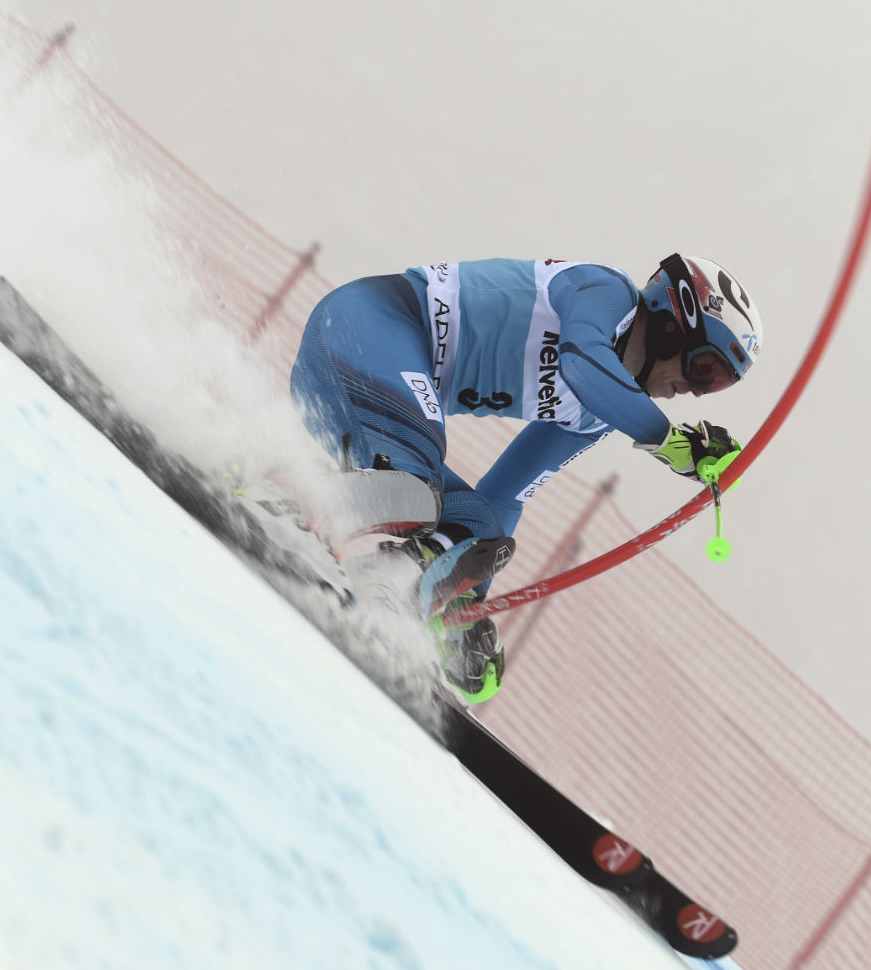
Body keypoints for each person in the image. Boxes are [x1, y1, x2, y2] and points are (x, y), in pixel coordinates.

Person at [289, 254, 763, 702]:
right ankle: (285, 498)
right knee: (415, 493)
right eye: (704, 368)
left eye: (717, 385)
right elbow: (582, 360)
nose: (698, 392)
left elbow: (506, 497)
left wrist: (462, 602)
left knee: (480, 533)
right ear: (671, 321)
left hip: (370, 409)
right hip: (364, 327)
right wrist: (671, 444)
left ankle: (386, 593)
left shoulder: (594, 416)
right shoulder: (607, 293)